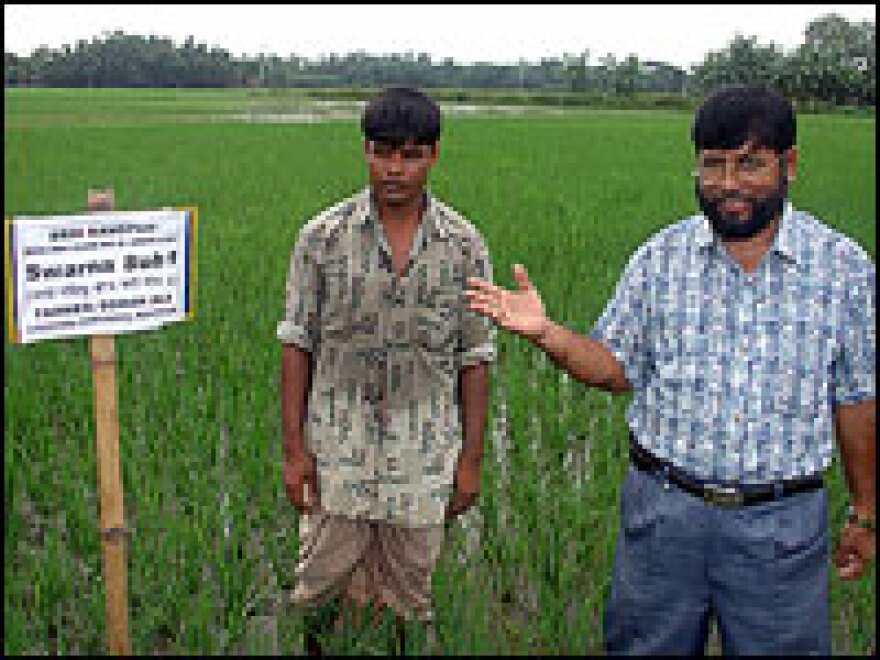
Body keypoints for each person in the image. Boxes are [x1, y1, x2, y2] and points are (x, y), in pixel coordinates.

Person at [465, 83, 875, 655]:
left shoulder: (845, 269)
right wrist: (548, 333)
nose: (728, 184)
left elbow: (856, 399)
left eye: (750, 164)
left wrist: (865, 511)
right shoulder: (662, 258)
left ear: (790, 164)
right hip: (663, 517)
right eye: (713, 165)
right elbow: (614, 368)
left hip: (781, 528)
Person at [277, 86, 495, 654]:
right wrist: (294, 450)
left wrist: (469, 460)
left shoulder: (465, 245)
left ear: (434, 156)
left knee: (408, 593)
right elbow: (297, 343)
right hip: (336, 452)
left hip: (423, 458)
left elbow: (475, 356)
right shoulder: (320, 239)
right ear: (365, 151)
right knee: (320, 588)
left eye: (412, 154)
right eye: (383, 152)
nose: (395, 169)